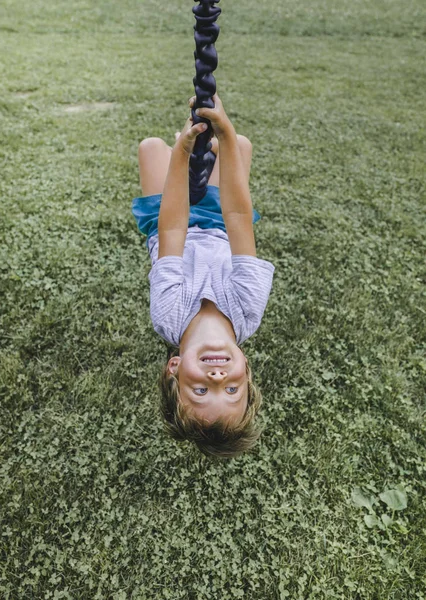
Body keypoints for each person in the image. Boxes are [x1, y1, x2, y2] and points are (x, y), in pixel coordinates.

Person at [132, 93, 275, 458]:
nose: (217, 379)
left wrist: (181, 152)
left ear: (174, 369)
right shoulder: (248, 308)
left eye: (199, 391)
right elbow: (240, 219)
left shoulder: (169, 315)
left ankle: (188, 153)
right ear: (246, 369)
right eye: (232, 391)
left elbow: (173, 229)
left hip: (168, 221)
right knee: (239, 144)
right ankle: (215, 149)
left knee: (152, 148)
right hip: (221, 221)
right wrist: (225, 136)